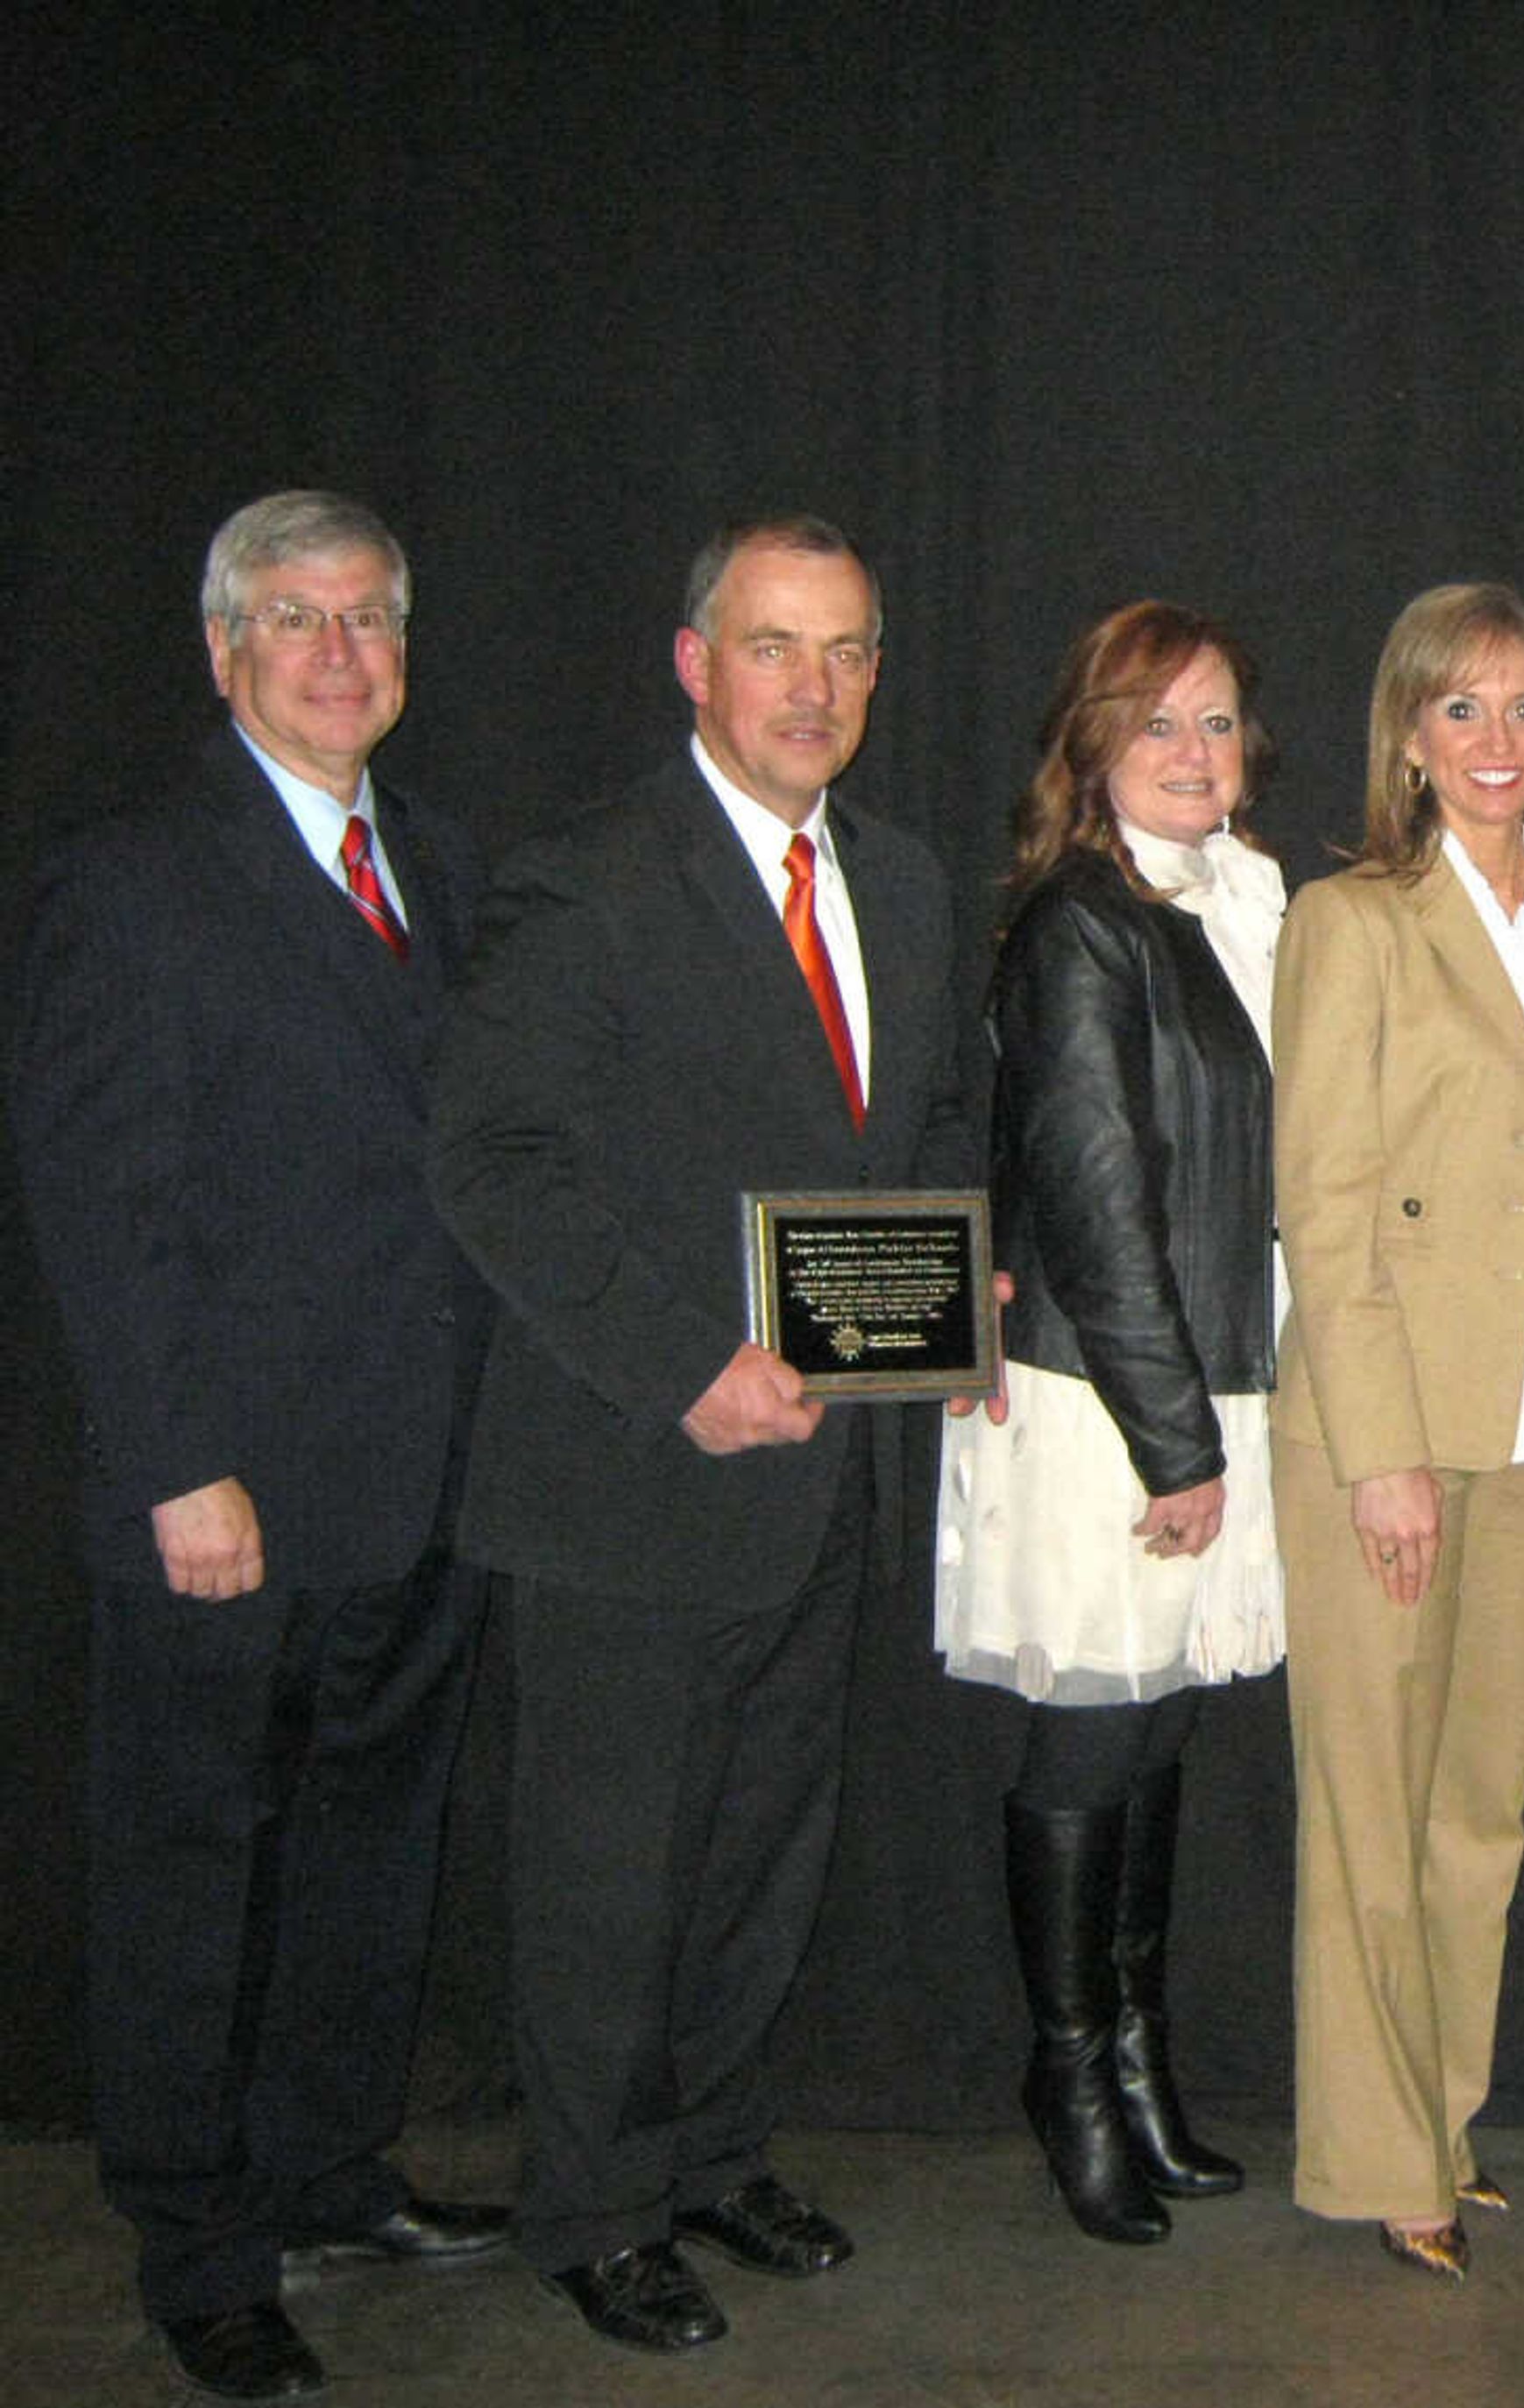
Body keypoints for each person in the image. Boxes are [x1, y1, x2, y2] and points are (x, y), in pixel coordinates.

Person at [428, 516, 965, 2356]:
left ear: (876, 674)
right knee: (607, 1878)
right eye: (771, 648)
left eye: (843, 652)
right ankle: (591, 2209)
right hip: (626, 1482)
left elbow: (923, 1142)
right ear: (693, 663)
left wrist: (954, 1323)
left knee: (759, 1854)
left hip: (821, 1482)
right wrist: (682, 1364)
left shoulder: (897, 881)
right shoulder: (585, 883)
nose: (810, 688)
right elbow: (493, 1160)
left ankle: (717, 2154)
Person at [10, 491, 504, 2402]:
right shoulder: (132, 875)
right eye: (292, 618)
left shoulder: (443, 868)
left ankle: (324, 2167)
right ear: (222, 653)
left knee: (369, 1856)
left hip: (419, 1474)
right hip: (225, 1490)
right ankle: (201, 2244)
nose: (335, 648)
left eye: (369, 615)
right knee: (189, 1869)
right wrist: (168, 1459)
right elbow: (95, 1190)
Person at [1271, 583, 1524, 2283]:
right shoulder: (1348, 921)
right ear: (1406, 738)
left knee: (1479, 1809)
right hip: (1392, 1429)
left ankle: (1442, 2111)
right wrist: (1379, 1452)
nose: (1498, 743)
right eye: (1461, 711)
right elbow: (1324, 1208)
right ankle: (1374, 2157)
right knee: (1370, 1802)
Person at [934, 602, 1287, 2246]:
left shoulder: (1236, 901)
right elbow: (1090, 1200)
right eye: (1159, 726)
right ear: (1092, 748)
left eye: (1218, 724)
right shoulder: (1081, 921)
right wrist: (1179, 1443)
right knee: (1087, 1742)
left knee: (1155, 1737)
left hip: (1200, 1383)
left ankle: (1139, 2061)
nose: (1196, 755)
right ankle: (1068, 2077)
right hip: (1106, 1404)